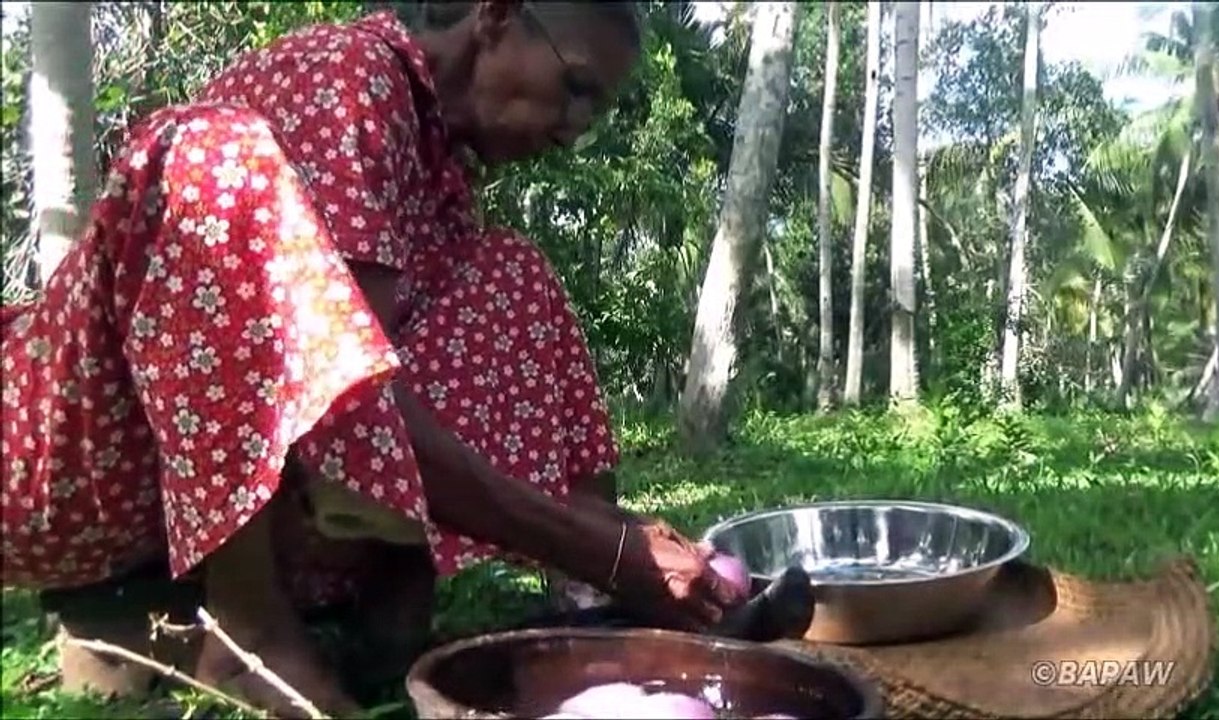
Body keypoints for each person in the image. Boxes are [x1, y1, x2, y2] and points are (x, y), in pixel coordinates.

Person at [0, 2, 745, 715]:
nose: (574, 127)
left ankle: (416, 598)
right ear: (497, 13)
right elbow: (347, 400)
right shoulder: (348, 76)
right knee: (207, 154)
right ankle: (245, 626)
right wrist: (603, 548)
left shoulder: (440, 177)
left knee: (507, 276)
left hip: (193, 497)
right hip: (63, 447)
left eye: (594, 112)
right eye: (575, 87)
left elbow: (364, 391)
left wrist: (607, 546)